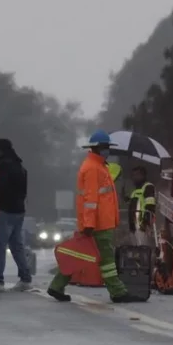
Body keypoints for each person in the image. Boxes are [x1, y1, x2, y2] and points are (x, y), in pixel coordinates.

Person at [47, 130, 143, 304]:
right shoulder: (92, 168)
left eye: (108, 147)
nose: (107, 150)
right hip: (98, 225)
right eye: (104, 147)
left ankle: (57, 286)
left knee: (78, 254)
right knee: (107, 260)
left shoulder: (99, 167)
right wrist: (90, 223)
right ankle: (118, 292)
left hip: (99, 223)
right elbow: (90, 200)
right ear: (96, 148)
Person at [0, 138, 33, 292]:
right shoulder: (20, 166)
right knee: (17, 246)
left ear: (0, 150)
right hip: (19, 210)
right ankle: (26, 278)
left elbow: (0, 187)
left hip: (6, 210)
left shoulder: (3, 166)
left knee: (0, 246)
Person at [128, 166, 156, 234]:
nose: (134, 177)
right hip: (135, 227)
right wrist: (131, 225)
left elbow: (150, 206)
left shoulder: (148, 187)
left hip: (144, 227)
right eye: (133, 175)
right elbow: (131, 209)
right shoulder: (134, 192)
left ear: (143, 175)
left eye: (137, 175)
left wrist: (145, 222)